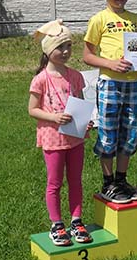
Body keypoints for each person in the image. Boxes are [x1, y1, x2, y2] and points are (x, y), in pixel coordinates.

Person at [83, 0, 137, 204]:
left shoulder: (136, 20)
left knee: (131, 133)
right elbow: (87, 56)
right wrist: (111, 64)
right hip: (110, 84)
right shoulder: (99, 20)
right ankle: (108, 183)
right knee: (108, 133)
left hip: (135, 84)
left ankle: (121, 180)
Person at [28, 19, 93, 246]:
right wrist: (54, 118)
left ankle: (76, 221)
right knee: (54, 183)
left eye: (68, 46)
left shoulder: (76, 76)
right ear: (48, 51)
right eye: (60, 47)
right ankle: (56, 224)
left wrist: (86, 121)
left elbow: (81, 103)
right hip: (52, 139)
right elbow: (32, 109)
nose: (66, 52)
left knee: (76, 180)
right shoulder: (40, 80)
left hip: (75, 138)